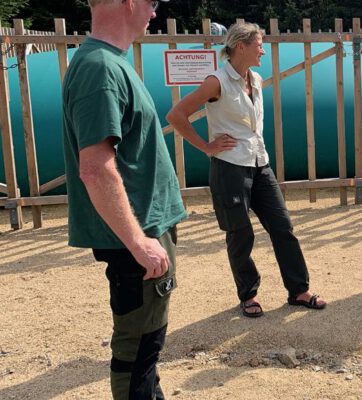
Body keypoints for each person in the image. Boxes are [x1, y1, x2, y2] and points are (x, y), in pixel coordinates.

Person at [62, 0, 185, 398]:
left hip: (144, 233)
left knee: (147, 346)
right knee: (138, 350)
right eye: (151, 3)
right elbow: (94, 168)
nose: (154, 12)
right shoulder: (100, 69)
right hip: (137, 241)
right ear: (129, 2)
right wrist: (138, 242)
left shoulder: (108, 61)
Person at [166, 22, 326, 318]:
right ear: (241, 46)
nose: (263, 50)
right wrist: (205, 146)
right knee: (240, 234)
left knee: (283, 227)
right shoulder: (217, 81)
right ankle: (248, 295)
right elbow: (176, 114)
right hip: (229, 168)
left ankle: (299, 290)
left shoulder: (256, 78)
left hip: (260, 164)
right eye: (259, 44)